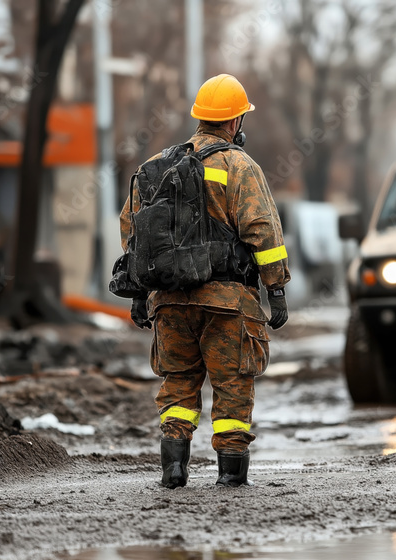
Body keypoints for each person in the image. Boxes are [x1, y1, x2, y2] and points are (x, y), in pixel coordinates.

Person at [119, 74, 290, 489]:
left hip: (169, 302)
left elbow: (132, 230)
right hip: (227, 303)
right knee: (231, 386)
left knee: (177, 385)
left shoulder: (154, 167)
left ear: (200, 118)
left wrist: (141, 293)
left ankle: (174, 470)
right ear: (234, 123)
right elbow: (262, 230)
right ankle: (230, 477)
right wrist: (277, 288)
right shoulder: (239, 166)